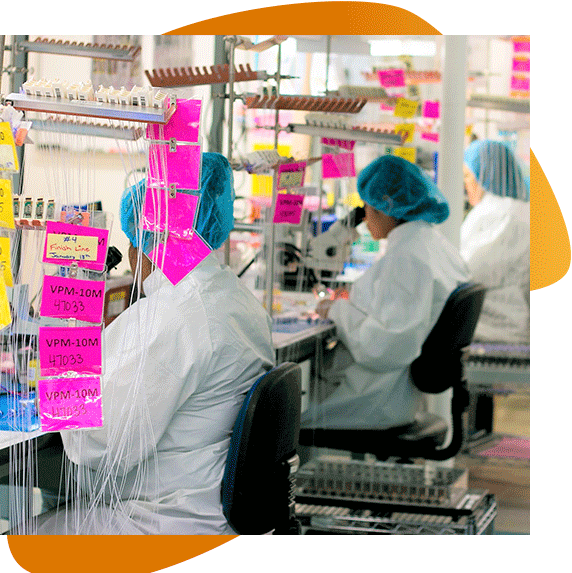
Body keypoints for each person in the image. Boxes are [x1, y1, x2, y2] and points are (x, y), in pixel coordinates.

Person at [36, 152, 275, 534]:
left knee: (20, 531)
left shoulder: (174, 315)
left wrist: (63, 356)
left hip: (160, 523)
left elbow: (94, 445)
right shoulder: (233, 298)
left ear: (141, 244)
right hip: (205, 510)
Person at [301, 155, 470, 431]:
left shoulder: (407, 257)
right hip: (393, 392)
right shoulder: (432, 245)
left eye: (367, 208)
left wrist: (337, 310)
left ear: (386, 208)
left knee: (274, 419)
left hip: (374, 399)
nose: (365, 219)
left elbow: (383, 348)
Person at [461, 139, 530, 344]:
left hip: (495, 331)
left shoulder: (498, 213)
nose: (466, 186)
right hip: (508, 328)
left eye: (468, 176)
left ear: (486, 175)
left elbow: (469, 271)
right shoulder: (520, 212)